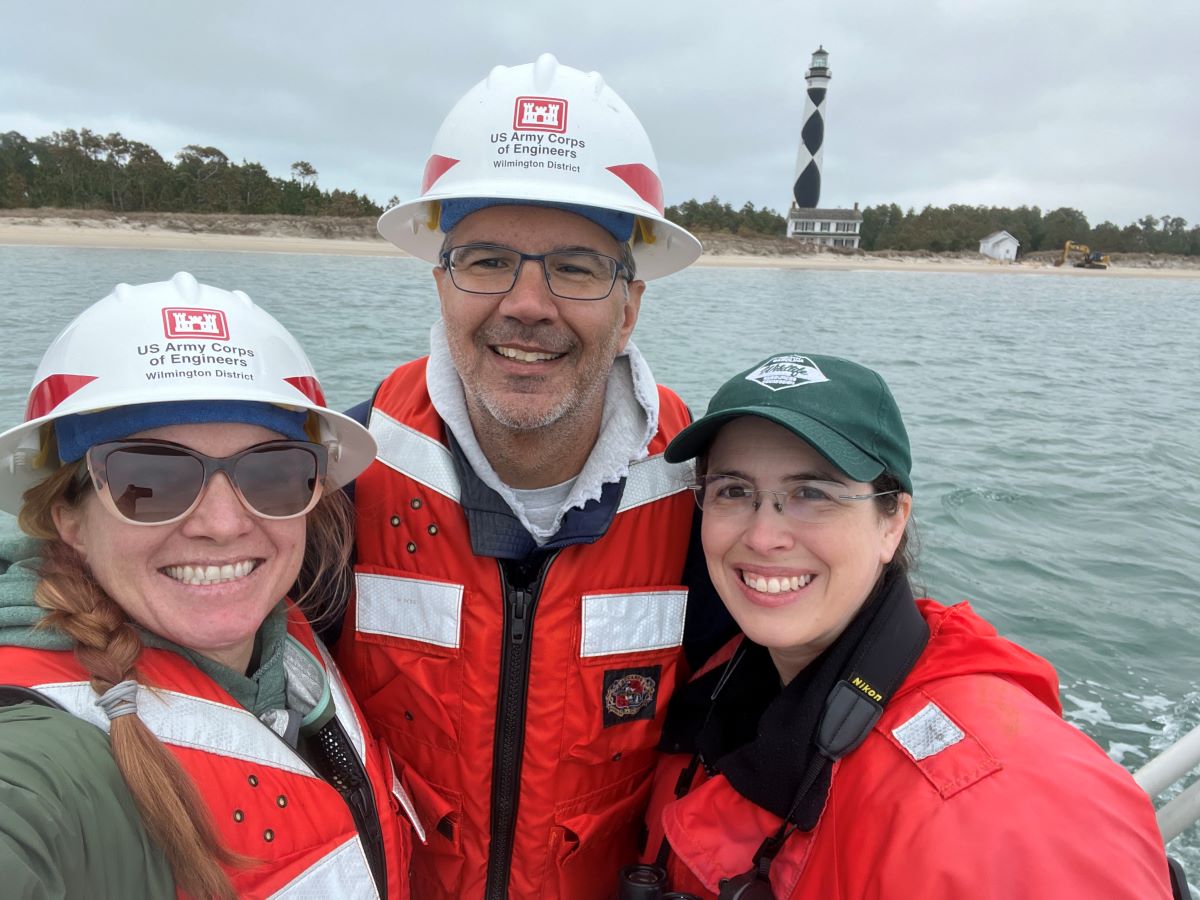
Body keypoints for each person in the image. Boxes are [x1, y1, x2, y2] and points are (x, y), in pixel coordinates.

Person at [334, 53, 732, 899]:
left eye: (577, 268)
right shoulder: (339, 473)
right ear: (442, 284)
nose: (526, 304)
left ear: (629, 307)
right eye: (485, 261)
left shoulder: (708, 495)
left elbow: (848, 642)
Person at [638, 352, 1174, 898]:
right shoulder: (731, 676)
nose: (762, 536)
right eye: (733, 491)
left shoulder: (990, 807)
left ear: (892, 521)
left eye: (812, 494)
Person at [0, 273, 414, 899]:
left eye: (273, 474)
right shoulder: (42, 760)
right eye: (151, 480)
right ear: (70, 521)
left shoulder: (290, 656)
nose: (223, 525)